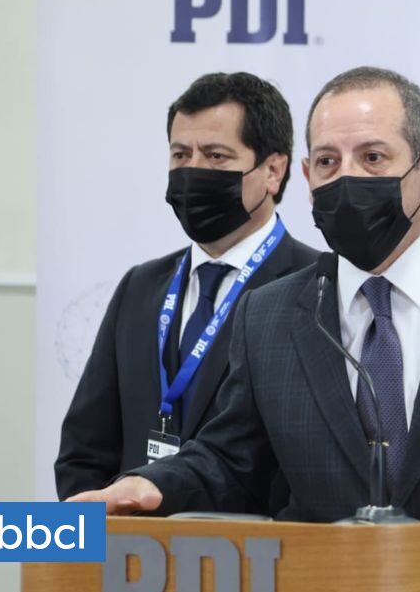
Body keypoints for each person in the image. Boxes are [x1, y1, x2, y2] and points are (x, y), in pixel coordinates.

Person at [71, 66, 420, 592]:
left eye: (372, 157)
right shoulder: (271, 315)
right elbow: (230, 458)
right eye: (327, 162)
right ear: (304, 176)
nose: (346, 179)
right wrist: (154, 485)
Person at [54, 72, 318, 512]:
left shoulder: (316, 287)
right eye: (181, 154)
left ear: (273, 170)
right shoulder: (141, 287)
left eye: (216, 156)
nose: (193, 171)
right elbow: (84, 449)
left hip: (257, 547)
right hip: (134, 548)